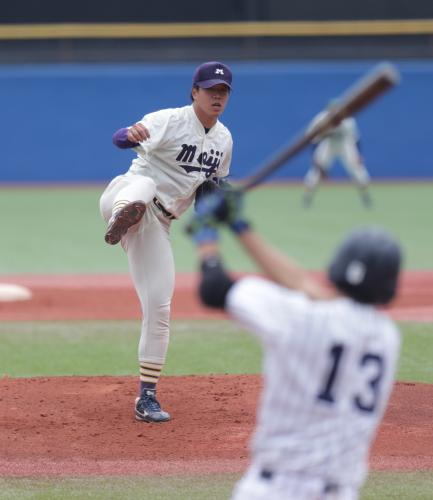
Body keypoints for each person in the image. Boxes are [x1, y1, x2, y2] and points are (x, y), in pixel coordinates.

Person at [188, 189, 402, 499]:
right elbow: (306, 288)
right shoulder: (386, 336)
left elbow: (214, 289)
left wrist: (206, 239)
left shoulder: (299, 319)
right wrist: (240, 226)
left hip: (275, 489)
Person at [99, 61, 234, 423]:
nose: (217, 96)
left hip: (158, 226)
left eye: (223, 92)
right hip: (125, 193)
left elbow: (210, 191)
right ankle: (121, 218)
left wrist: (219, 196)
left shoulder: (224, 140)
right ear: (195, 92)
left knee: (160, 307)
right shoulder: (169, 120)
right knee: (142, 190)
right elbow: (119, 138)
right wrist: (131, 134)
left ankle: (147, 397)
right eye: (210, 90)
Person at [303, 102, 372, 208]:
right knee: (315, 172)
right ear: (328, 112)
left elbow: (355, 139)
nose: (335, 113)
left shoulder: (348, 121)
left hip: (345, 144)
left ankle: (366, 197)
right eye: (332, 111)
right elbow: (311, 138)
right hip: (327, 144)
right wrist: (313, 156)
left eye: (337, 111)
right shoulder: (320, 120)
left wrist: (359, 154)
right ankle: (307, 199)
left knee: (358, 169)